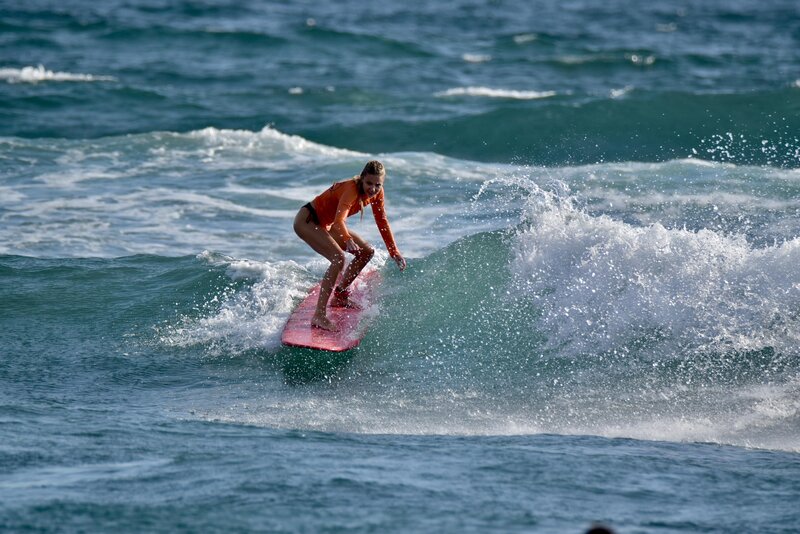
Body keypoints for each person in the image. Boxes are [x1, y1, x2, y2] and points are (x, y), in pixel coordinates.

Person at [293, 160, 406, 331]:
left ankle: (339, 295)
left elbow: (382, 221)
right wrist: (346, 238)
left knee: (366, 252)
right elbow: (339, 221)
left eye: (378, 184)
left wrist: (393, 251)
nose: (373, 189)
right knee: (338, 258)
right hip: (307, 220)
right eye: (369, 183)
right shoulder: (351, 190)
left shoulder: (377, 193)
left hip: (326, 225)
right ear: (361, 179)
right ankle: (319, 316)